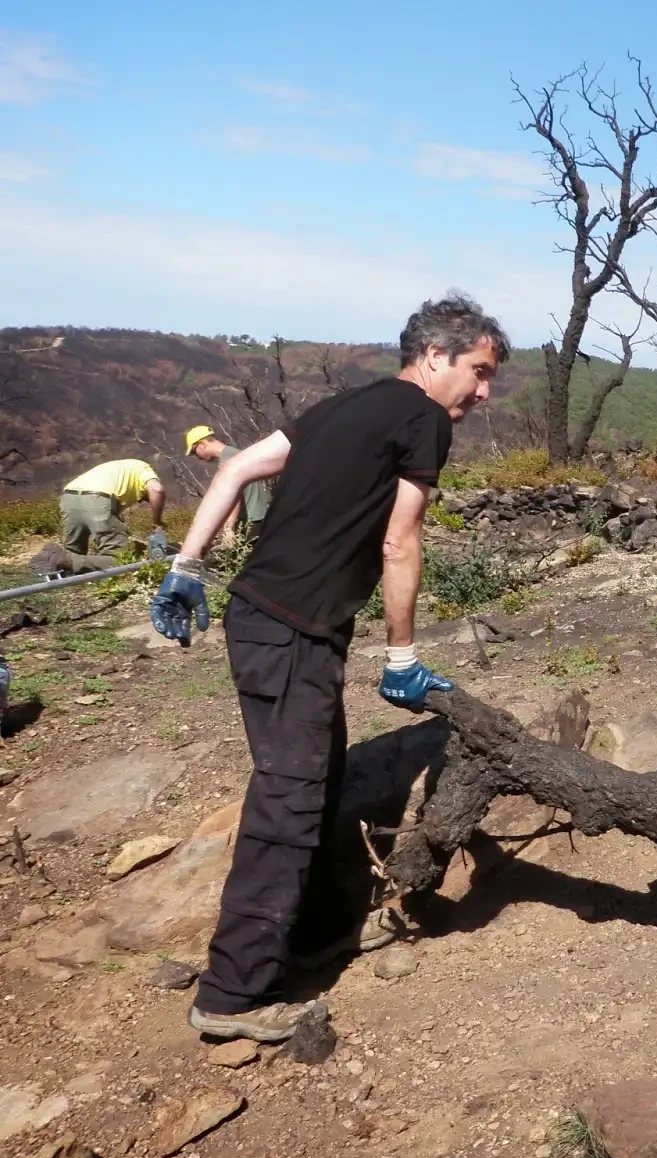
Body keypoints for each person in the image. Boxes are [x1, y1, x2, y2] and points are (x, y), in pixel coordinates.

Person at [148, 293, 510, 1042]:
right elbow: (399, 542)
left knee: (315, 778)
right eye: (477, 371)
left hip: (268, 620)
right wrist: (403, 657)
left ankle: (307, 939)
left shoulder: (348, 406)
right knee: (290, 797)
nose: (483, 392)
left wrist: (187, 563)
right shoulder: (422, 419)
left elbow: (241, 466)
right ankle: (231, 995)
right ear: (435, 356)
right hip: (292, 629)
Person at [30, 458, 168, 575]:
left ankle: (55, 559)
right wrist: (157, 522)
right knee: (120, 560)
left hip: (69, 496)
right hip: (97, 498)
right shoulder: (144, 468)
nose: (142, 500)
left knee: (73, 552)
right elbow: (157, 490)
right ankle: (65, 559)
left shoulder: (121, 468)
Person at [186, 426, 273, 543]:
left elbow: (234, 494)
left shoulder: (228, 460)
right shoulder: (234, 453)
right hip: (264, 515)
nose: (196, 456)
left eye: (194, 451)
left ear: (202, 444)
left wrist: (228, 529)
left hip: (253, 521)